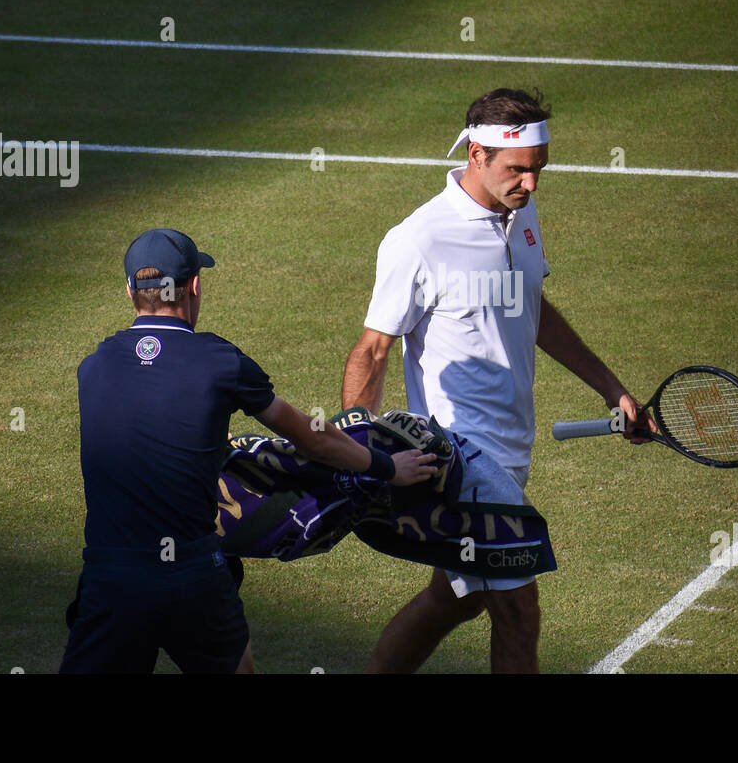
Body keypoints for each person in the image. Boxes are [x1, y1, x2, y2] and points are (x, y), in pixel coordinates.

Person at [342, 89, 649, 674]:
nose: (531, 185)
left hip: (513, 445)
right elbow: (373, 349)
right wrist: (362, 448)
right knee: (519, 607)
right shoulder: (419, 239)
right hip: (463, 456)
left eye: (539, 171)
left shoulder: (519, 212)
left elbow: (531, 307)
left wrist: (613, 389)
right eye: (518, 170)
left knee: (457, 598)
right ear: (477, 153)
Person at [61, 228, 434, 674]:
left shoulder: (93, 367)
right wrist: (387, 466)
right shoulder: (222, 363)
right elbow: (312, 438)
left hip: (110, 574)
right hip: (192, 574)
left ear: (130, 291)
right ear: (195, 286)